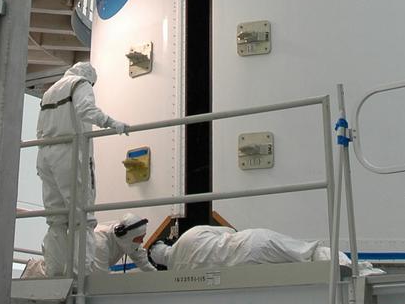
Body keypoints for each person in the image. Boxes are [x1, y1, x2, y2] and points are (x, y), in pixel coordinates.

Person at [36, 60, 128, 276]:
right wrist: (112, 122)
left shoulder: (49, 92)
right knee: (82, 218)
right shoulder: (80, 83)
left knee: (56, 219)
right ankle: (80, 276)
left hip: (45, 155)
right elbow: (86, 110)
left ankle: (55, 273)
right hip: (70, 153)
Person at [147, 225, 379, 273]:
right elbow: (228, 229)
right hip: (253, 243)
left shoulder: (178, 273)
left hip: (247, 269)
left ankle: (349, 268)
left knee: (299, 267)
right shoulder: (190, 234)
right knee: (307, 253)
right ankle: (354, 267)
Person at [21, 213, 150, 278]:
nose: (141, 242)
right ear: (127, 236)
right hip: (56, 272)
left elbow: (142, 260)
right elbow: (100, 278)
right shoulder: (100, 242)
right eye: (139, 239)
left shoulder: (127, 238)